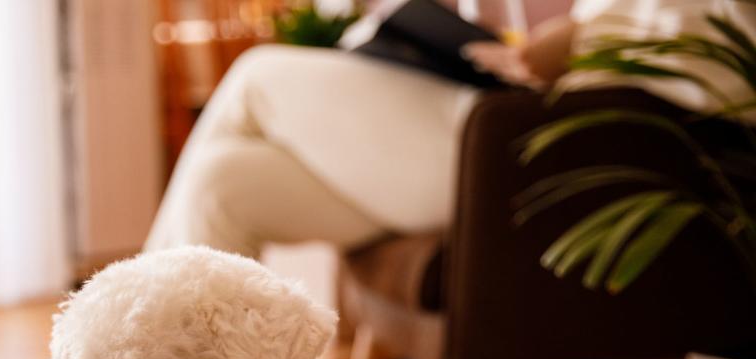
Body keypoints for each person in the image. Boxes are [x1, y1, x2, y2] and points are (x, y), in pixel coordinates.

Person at [144, 0, 745, 260]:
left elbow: (720, 50)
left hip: (534, 158)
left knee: (258, 74)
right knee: (219, 185)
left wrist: (578, 39)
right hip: (510, 128)